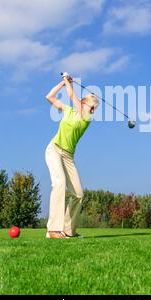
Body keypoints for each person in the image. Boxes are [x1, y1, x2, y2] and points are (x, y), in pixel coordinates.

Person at [45, 73, 99, 239]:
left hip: (68, 156)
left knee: (78, 194)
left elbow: (72, 96)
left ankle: (69, 231)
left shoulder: (86, 119)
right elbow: (49, 97)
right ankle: (53, 230)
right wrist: (63, 83)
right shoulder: (68, 110)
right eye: (89, 103)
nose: (91, 108)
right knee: (59, 184)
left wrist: (68, 82)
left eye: (92, 106)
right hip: (54, 150)